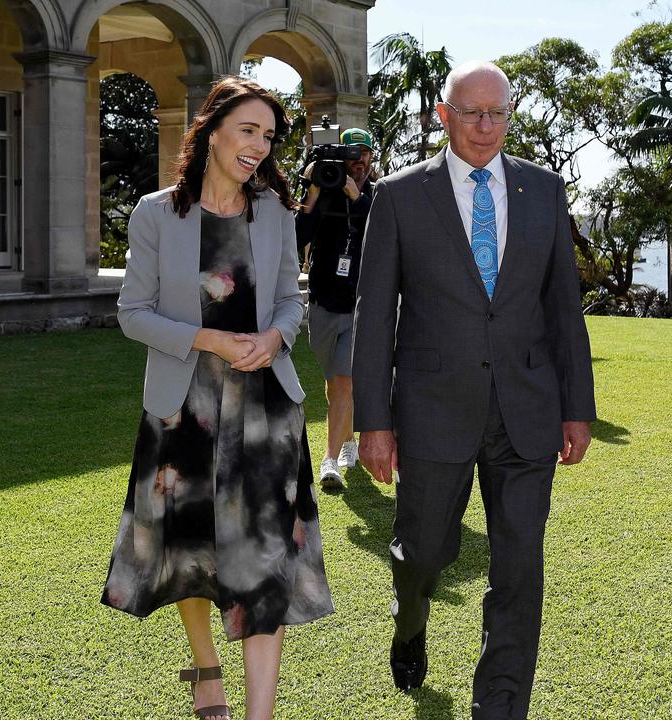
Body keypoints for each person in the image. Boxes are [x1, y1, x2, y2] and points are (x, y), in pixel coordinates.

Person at [352, 60, 595, 720]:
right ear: (443, 114)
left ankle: (500, 706)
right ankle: (411, 620)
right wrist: (373, 422)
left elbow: (562, 308)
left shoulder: (543, 190)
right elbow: (375, 317)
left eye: (498, 114)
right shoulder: (400, 197)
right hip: (432, 412)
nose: (486, 127)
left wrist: (577, 408)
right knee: (425, 550)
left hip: (529, 412)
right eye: (471, 113)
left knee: (518, 568)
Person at [102, 77, 334, 720]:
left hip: (267, 413)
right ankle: (207, 667)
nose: (260, 146)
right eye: (248, 130)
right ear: (210, 130)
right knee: (190, 550)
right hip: (185, 409)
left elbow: (293, 298)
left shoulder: (277, 213)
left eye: (269, 135)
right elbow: (133, 314)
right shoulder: (155, 214)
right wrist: (206, 337)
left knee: (265, 559)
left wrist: (275, 336)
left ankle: (259, 713)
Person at [297, 127, 376, 490]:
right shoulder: (323, 193)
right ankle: (347, 442)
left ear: (372, 160)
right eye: (352, 156)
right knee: (334, 383)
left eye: (365, 156)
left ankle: (329, 461)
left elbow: (376, 233)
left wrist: (354, 195)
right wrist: (314, 188)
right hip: (323, 303)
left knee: (345, 380)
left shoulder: (376, 196)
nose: (358, 163)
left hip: (359, 305)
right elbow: (298, 237)